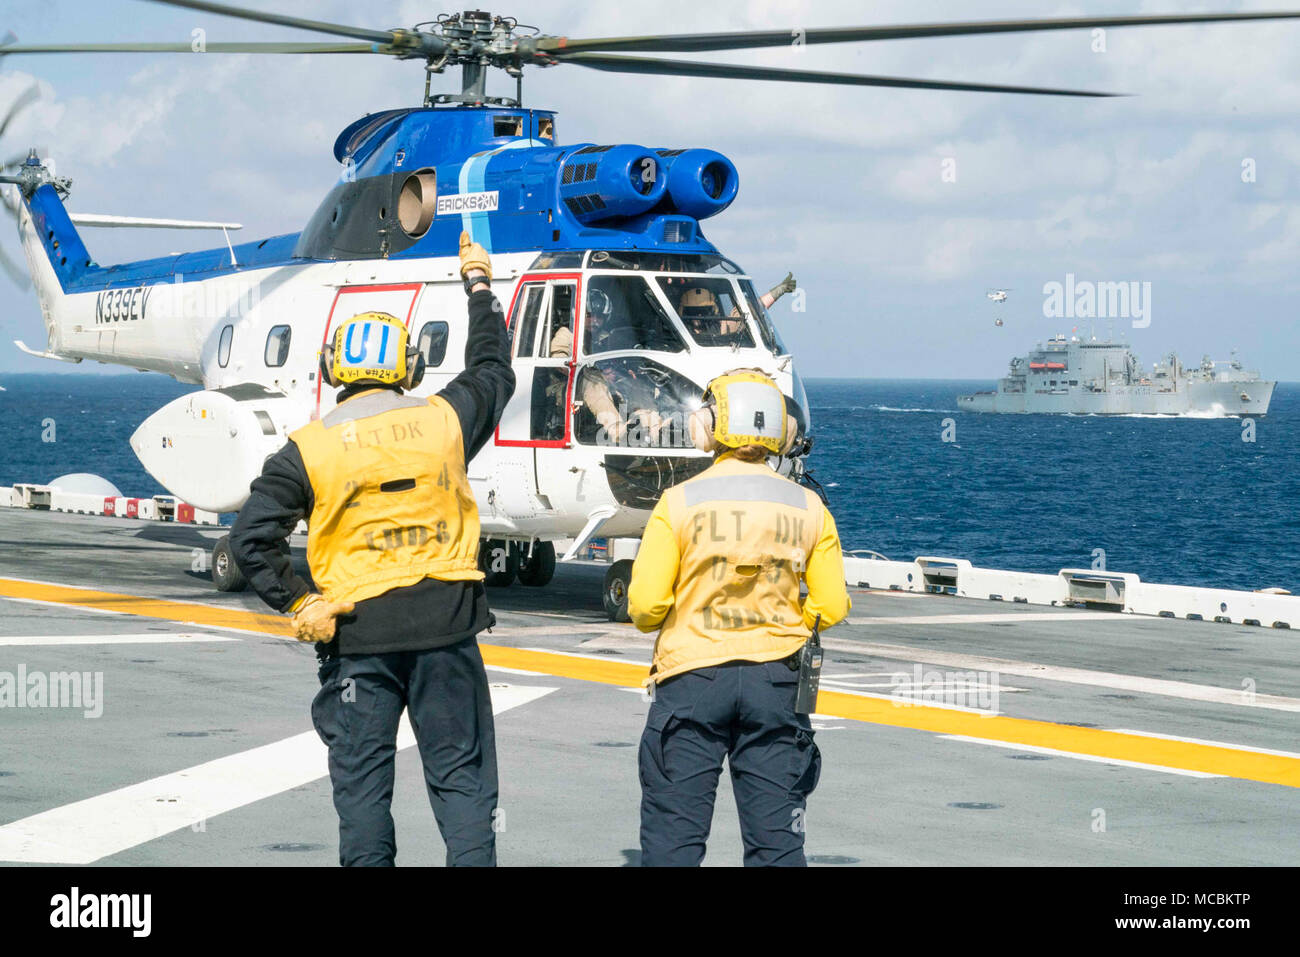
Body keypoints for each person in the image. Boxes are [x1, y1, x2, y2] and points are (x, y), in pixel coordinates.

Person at [229, 231, 514, 867]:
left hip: (357, 638)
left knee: (362, 793)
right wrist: (478, 286)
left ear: (334, 369)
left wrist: (300, 601)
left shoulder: (307, 449)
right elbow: (494, 368)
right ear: (408, 367)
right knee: (463, 786)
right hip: (446, 632)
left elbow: (250, 538)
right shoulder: (446, 420)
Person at [627, 369, 850, 866]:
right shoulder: (810, 506)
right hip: (777, 682)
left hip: (691, 678)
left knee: (673, 840)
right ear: (781, 432)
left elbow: (644, 607)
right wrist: (790, 620)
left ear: (708, 427)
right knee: (777, 842)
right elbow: (832, 605)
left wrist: (679, 616)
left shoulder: (678, 503)